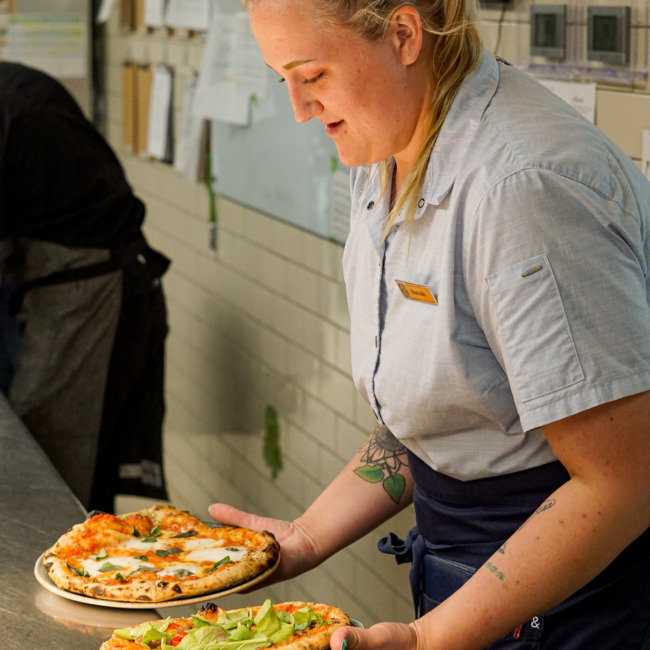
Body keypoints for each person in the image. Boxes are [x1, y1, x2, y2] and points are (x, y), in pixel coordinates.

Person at [209, 1, 650, 648]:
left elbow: (624, 480)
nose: (299, 108)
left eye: (314, 74)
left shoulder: (520, 190)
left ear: (404, 33)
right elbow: (451, 415)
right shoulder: (385, 145)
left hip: (582, 602)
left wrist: (430, 637)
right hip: (470, 574)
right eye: (283, 79)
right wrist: (305, 538)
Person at [0, 61, 170, 514]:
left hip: (90, 294)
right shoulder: (14, 84)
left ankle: (65, 581)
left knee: (51, 475)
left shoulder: (14, 102)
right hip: (56, 283)